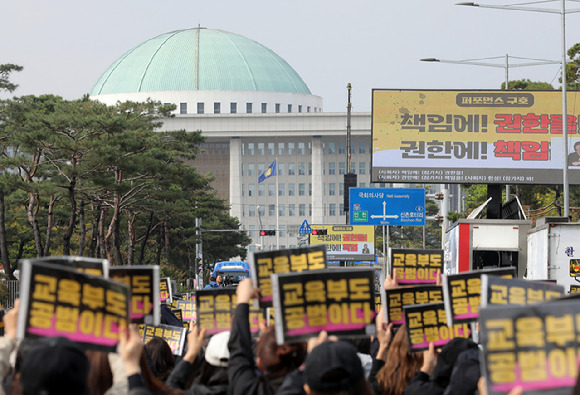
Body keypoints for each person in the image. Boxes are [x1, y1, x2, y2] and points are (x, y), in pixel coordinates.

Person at [227, 278, 307, 395]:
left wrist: (242, 300)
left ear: (259, 363)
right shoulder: (311, 387)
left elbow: (239, 349)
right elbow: (238, 351)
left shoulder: (248, 389)